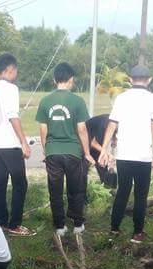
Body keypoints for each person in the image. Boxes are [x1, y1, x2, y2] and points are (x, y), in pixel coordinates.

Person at [98, 64, 153, 244]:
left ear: (130, 80)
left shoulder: (121, 98)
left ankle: (114, 229)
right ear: (149, 80)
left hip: (124, 155)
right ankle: (137, 233)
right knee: (141, 195)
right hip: (143, 156)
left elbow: (112, 125)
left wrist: (104, 148)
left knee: (123, 192)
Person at [35, 62, 94, 236]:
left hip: (53, 152)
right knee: (76, 189)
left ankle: (60, 226)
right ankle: (77, 225)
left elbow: (43, 129)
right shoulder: (77, 101)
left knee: (55, 190)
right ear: (71, 80)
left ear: (54, 80)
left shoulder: (45, 101)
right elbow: (82, 129)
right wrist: (88, 153)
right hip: (73, 152)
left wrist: (47, 150)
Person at [0, 54, 34, 236]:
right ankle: (15, 224)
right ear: (9, 70)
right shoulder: (11, 89)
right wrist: (23, 142)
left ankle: (1, 221)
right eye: (15, 71)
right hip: (9, 143)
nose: (16, 74)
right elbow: (13, 116)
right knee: (20, 183)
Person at [85, 113, 117, 188]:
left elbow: (113, 136)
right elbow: (92, 142)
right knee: (83, 170)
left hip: (95, 143)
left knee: (103, 165)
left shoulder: (113, 122)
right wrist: (106, 153)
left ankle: (108, 189)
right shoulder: (103, 124)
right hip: (84, 142)